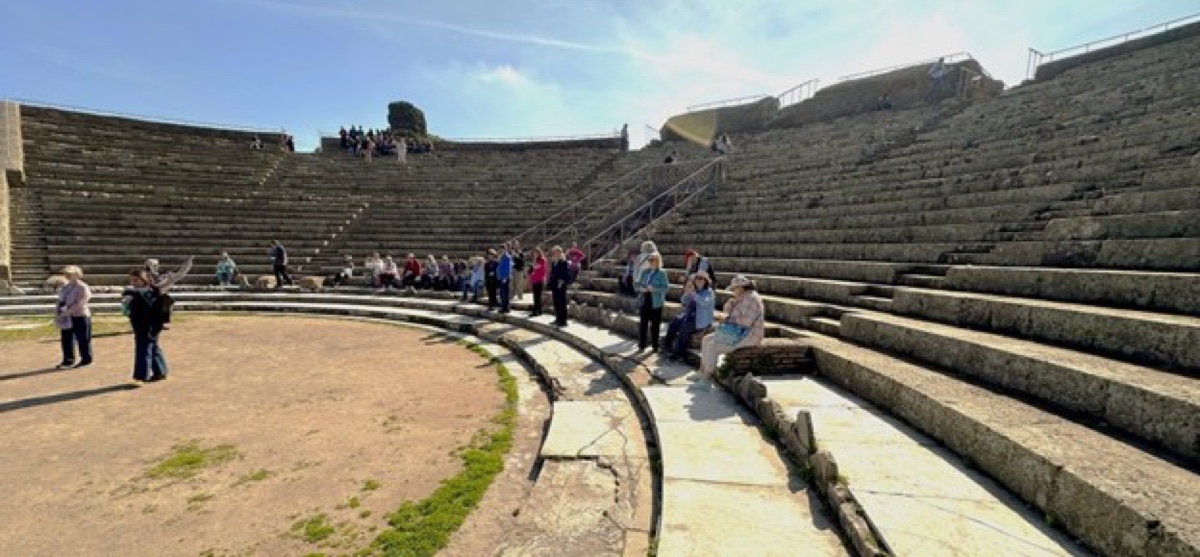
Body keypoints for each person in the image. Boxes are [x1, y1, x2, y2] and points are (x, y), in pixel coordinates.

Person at [123, 256, 193, 383]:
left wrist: (187, 264)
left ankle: (141, 376)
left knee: (143, 348)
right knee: (152, 346)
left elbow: (175, 278)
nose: (133, 283)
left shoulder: (152, 292)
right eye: (132, 280)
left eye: (136, 280)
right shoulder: (133, 293)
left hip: (150, 325)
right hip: (140, 324)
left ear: (144, 280)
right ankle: (160, 371)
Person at [699, 275, 766, 388]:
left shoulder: (752, 299)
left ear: (741, 287)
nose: (733, 291)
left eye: (734, 288)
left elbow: (746, 322)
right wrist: (731, 304)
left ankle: (706, 379)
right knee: (706, 339)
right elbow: (728, 312)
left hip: (750, 335)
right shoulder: (741, 298)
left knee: (713, 346)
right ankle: (701, 372)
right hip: (737, 331)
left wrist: (728, 319)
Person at [664, 271, 715, 361]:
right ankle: (667, 346)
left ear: (705, 281)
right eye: (697, 278)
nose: (698, 281)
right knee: (674, 323)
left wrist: (693, 294)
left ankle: (678, 353)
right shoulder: (695, 290)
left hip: (701, 319)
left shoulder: (709, 292)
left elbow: (704, 302)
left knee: (685, 329)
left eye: (701, 279)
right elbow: (683, 301)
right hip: (689, 315)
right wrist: (687, 292)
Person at [55, 265, 93, 369]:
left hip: (80, 316)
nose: (67, 276)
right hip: (67, 317)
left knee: (83, 339)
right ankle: (68, 360)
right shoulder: (66, 287)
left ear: (77, 275)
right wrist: (59, 311)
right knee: (66, 339)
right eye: (66, 274)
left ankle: (86, 360)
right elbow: (61, 300)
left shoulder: (82, 287)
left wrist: (67, 312)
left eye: (69, 274)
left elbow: (80, 303)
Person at [637, 253, 670, 352]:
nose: (650, 262)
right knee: (643, 323)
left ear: (658, 261)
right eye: (649, 260)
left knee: (655, 324)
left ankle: (655, 345)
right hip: (645, 298)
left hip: (656, 300)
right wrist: (642, 289)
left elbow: (665, 288)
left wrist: (654, 289)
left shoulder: (662, 273)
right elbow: (639, 284)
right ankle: (642, 344)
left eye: (653, 260)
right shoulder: (644, 272)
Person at [548, 246, 572, 326]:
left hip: (561, 285)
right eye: (553, 252)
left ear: (559, 252)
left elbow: (565, 274)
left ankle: (563, 320)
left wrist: (561, 282)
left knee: (562, 302)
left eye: (555, 252)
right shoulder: (554, 262)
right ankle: (558, 318)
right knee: (556, 302)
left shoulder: (563, 262)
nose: (554, 254)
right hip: (555, 285)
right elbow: (553, 274)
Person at [527, 248, 548, 317]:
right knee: (536, 296)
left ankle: (535, 311)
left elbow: (536, 267)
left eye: (536, 253)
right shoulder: (536, 260)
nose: (535, 254)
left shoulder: (542, 260)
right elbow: (532, 270)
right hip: (535, 280)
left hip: (539, 280)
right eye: (534, 253)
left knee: (537, 296)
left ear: (539, 253)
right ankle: (539, 311)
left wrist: (534, 262)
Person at [496, 244, 513, 313]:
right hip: (501, 277)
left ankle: (506, 308)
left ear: (505, 249)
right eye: (500, 249)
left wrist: (505, 277)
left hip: (505, 278)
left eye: (502, 249)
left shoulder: (507, 257)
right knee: (502, 294)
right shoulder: (501, 257)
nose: (501, 250)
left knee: (505, 293)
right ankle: (504, 307)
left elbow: (508, 268)